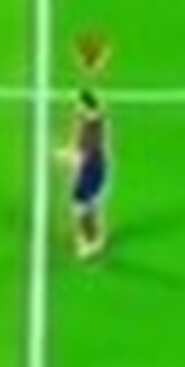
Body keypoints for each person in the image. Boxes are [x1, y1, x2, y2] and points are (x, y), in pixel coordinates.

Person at [65, 89, 112, 261]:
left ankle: (94, 242)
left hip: (94, 168)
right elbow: (77, 146)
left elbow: (87, 152)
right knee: (81, 205)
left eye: (78, 104)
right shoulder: (85, 120)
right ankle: (87, 239)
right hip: (88, 168)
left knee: (90, 206)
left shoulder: (94, 123)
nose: (75, 107)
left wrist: (69, 157)